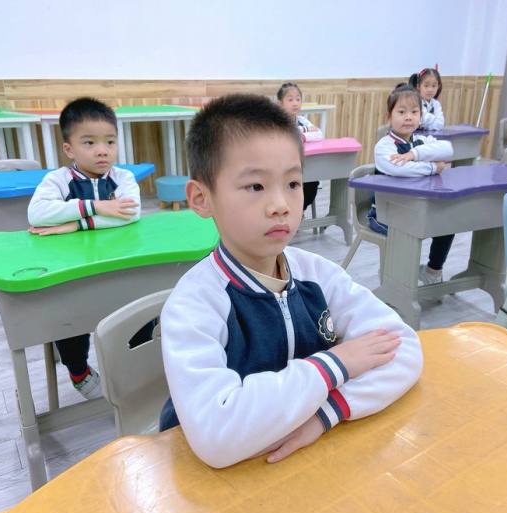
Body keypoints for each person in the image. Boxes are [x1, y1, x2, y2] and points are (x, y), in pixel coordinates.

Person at [158, 93, 423, 468]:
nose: (281, 205)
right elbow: (216, 435)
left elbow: (404, 348)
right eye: (256, 186)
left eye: (294, 184)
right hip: (219, 482)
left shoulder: (318, 275)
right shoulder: (194, 304)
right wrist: (333, 365)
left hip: (309, 464)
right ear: (202, 198)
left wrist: (326, 413)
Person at [27, 96, 143, 399]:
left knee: (139, 311)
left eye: (110, 141)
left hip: (119, 265)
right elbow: (37, 214)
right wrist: (97, 207)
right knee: (69, 321)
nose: (102, 150)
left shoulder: (122, 177)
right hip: (73, 270)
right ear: (69, 149)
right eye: (89, 142)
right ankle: (79, 372)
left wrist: (76, 224)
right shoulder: (58, 179)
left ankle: (135, 366)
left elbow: (132, 214)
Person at [372, 85, 454, 285]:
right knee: (407, 230)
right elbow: (401, 169)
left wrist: (415, 154)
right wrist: (434, 167)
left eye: (414, 112)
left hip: (416, 207)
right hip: (386, 212)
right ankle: (396, 278)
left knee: (448, 223)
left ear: (421, 116)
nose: (408, 117)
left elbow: (447, 149)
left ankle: (433, 271)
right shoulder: (384, 145)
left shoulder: (421, 140)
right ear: (389, 116)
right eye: (401, 112)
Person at [277, 82, 324, 212]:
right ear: (280, 103)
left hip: (301, 164)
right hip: (281, 165)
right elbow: (285, 134)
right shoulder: (276, 120)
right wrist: (306, 130)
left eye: (298, 99)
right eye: (290, 100)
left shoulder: (302, 120)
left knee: (312, 183)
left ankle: (298, 213)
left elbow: (319, 134)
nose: (295, 103)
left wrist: (301, 136)